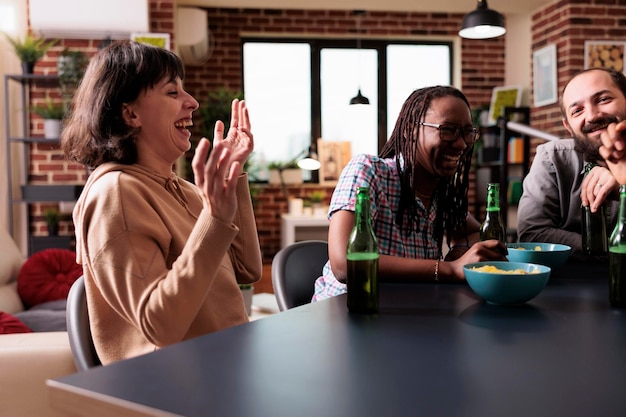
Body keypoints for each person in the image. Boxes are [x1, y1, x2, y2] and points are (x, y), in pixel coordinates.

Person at [61, 40, 262, 364]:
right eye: (173, 92)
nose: (192, 102)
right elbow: (160, 325)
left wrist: (232, 177)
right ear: (131, 113)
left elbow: (246, 269)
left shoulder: (181, 189)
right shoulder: (117, 193)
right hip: (173, 389)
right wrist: (214, 219)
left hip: (226, 365)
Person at [313, 85, 508, 301]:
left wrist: (459, 250)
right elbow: (345, 264)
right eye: (448, 130)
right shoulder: (369, 171)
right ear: (411, 130)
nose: (461, 144)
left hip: (408, 312)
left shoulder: (441, 191)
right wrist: (449, 269)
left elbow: (471, 231)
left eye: (467, 133)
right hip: (348, 311)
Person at [517, 68, 626, 261]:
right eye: (577, 111)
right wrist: (612, 250)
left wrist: (623, 187)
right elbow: (532, 235)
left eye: (603, 100)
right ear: (568, 126)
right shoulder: (553, 158)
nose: (592, 116)